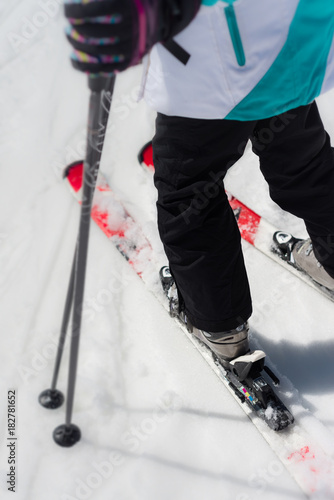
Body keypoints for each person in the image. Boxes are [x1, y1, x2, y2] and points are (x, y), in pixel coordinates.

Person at [64, 0, 334, 371]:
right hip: (294, 40)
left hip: (215, 66)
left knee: (190, 196)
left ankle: (221, 326)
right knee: (307, 166)